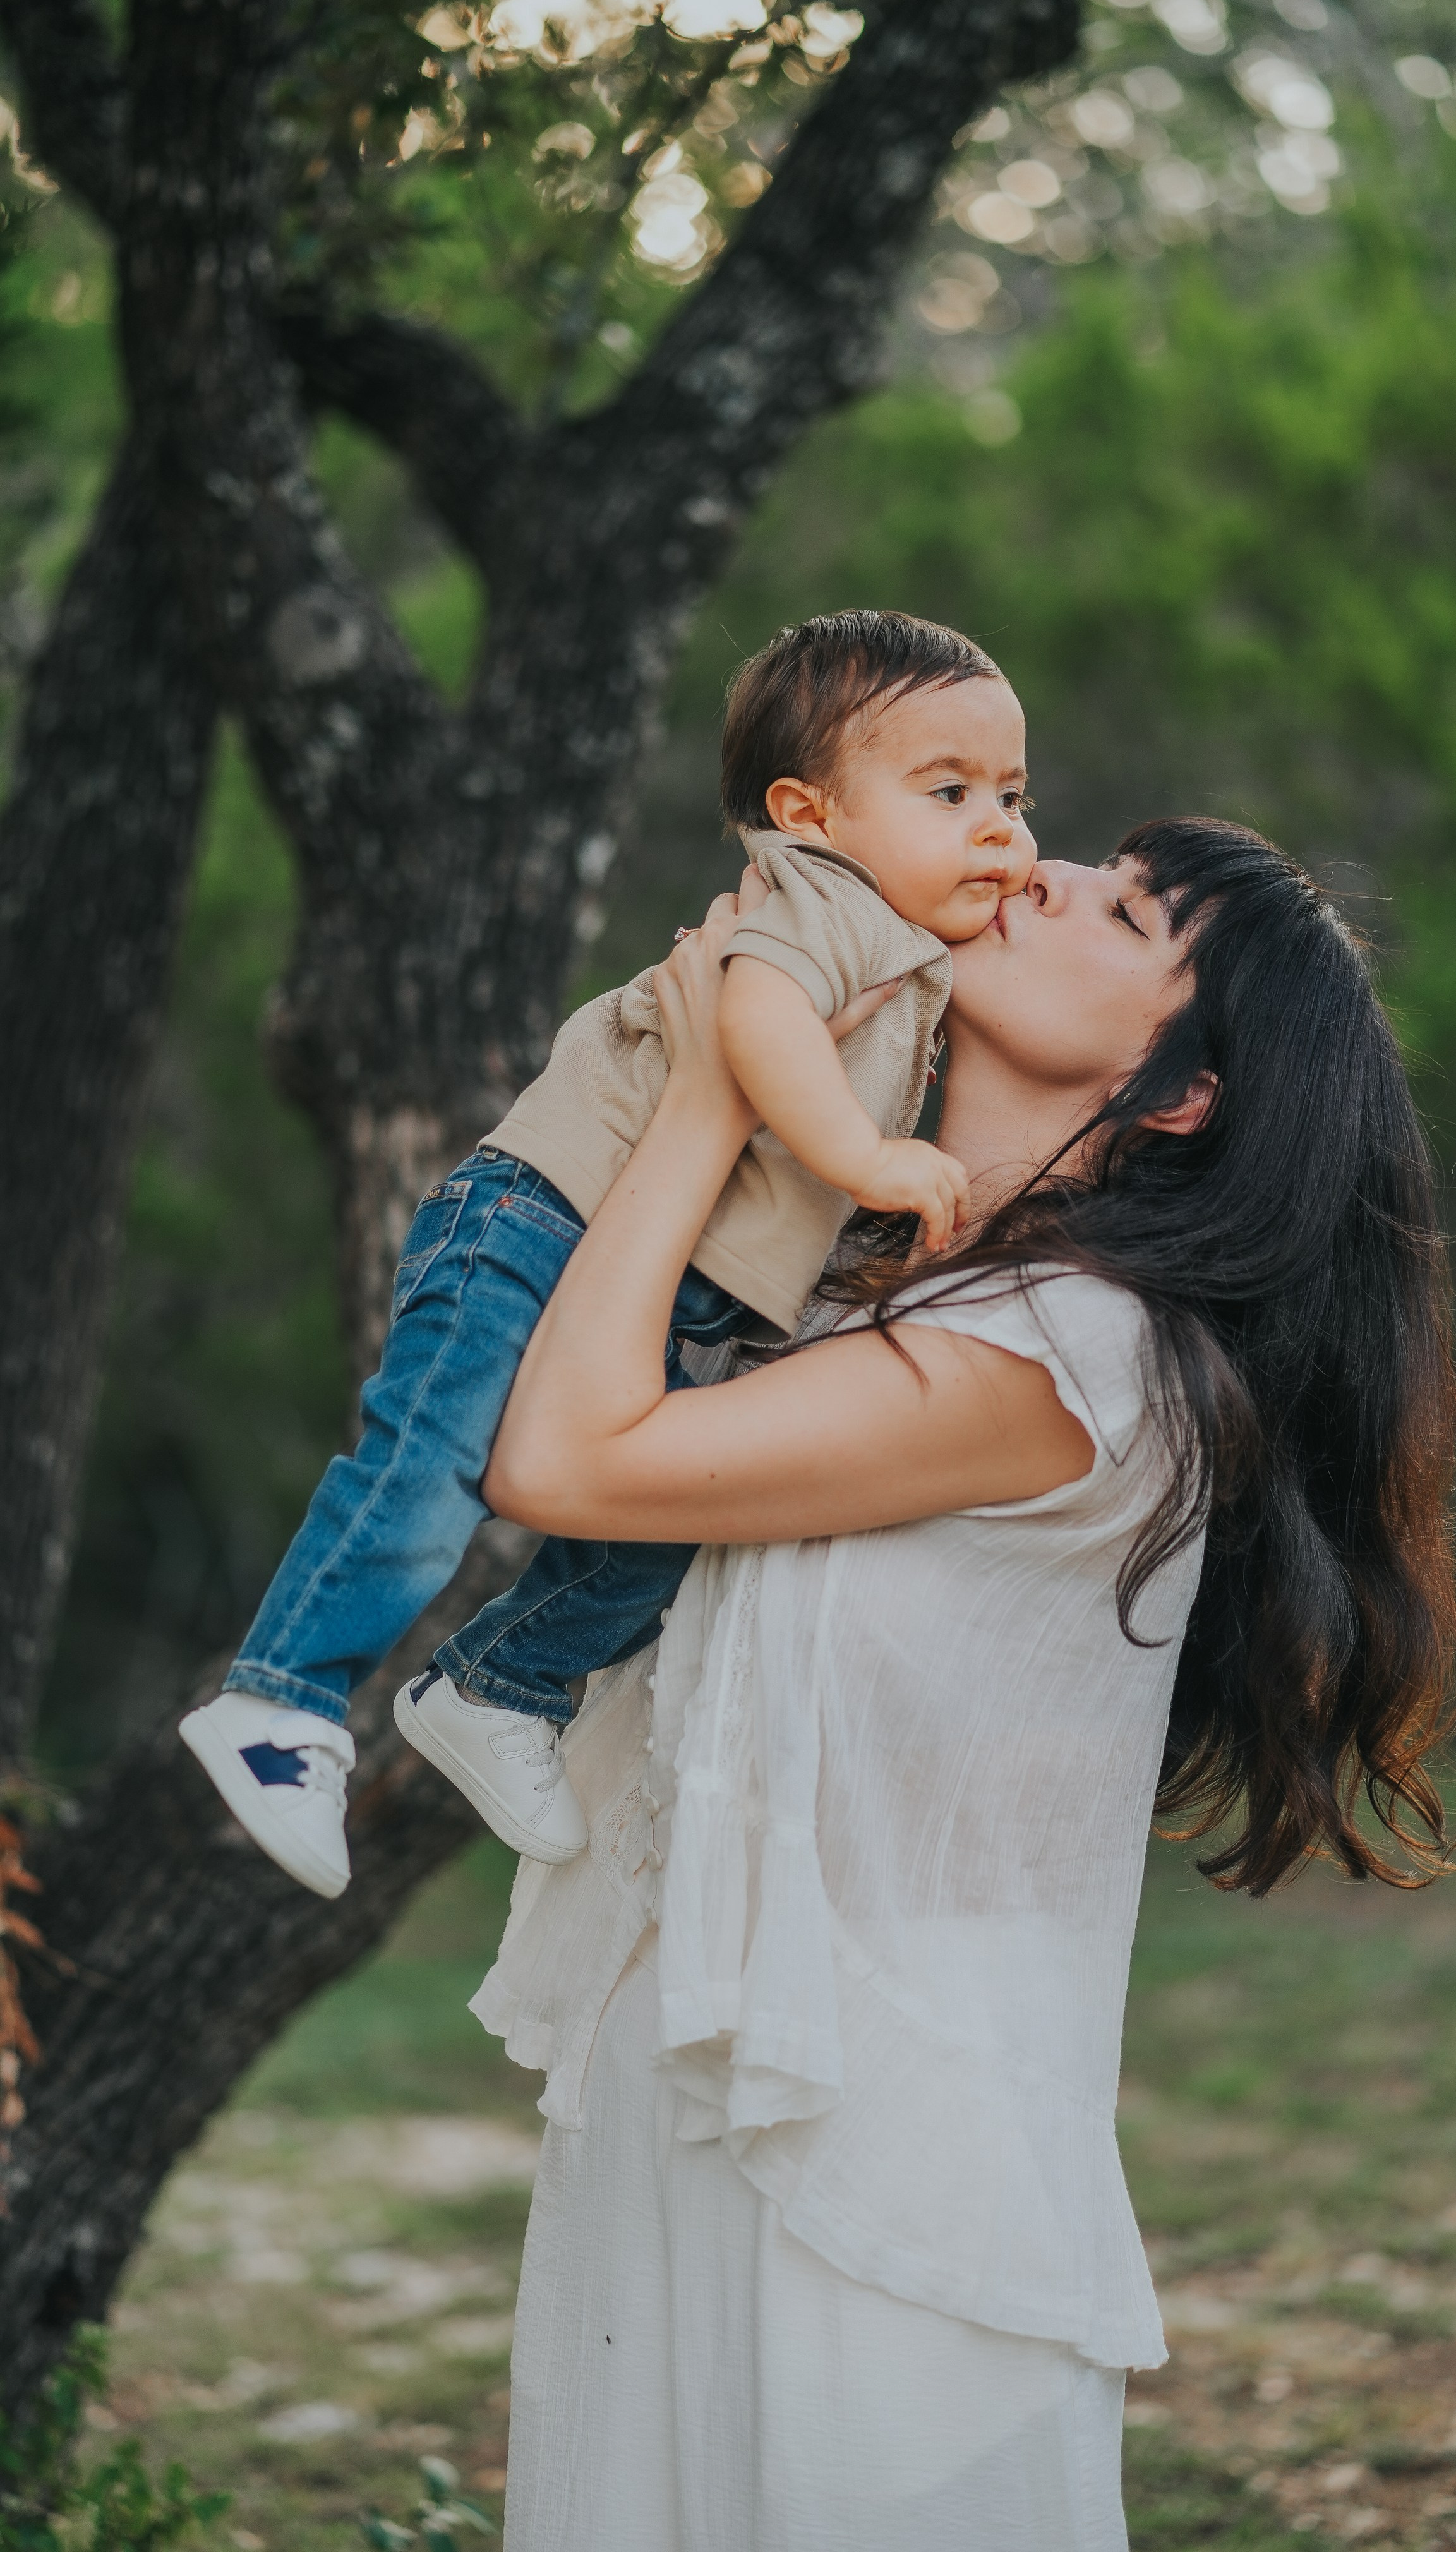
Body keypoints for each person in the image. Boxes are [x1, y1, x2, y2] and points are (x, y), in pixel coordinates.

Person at [473, 819, 1455, 2551]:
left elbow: (564, 1460)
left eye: (1125, 912)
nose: (1045, 872)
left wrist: (711, 1089)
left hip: (874, 2156)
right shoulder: (891, 1281)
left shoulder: (1073, 1353)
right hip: (717, 2068)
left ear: (1179, 1093)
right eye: (1090, 860)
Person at [177, 611, 1036, 1901]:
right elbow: (756, 1016)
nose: (999, 830)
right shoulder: (827, 894)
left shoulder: (906, 942)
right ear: (807, 813)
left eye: (1014, 796)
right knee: (429, 1458)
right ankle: (281, 1697)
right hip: (544, 1211)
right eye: (950, 792)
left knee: (659, 1530)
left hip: (675, 1280)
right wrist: (867, 1157)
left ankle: (499, 1683)